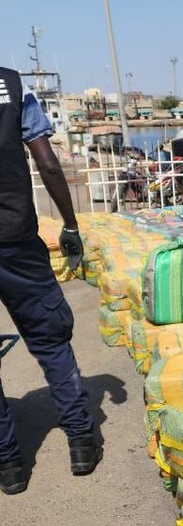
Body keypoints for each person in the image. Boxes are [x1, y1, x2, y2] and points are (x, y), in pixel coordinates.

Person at [0, 67, 100, 493]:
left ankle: (9, 466)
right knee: (49, 337)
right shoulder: (11, 85)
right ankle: (80, 441)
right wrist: (70, 225)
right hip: (15, 237)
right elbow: (46, 162)